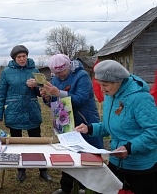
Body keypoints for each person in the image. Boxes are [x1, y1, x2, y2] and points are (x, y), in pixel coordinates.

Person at [74, 60, 157, 194]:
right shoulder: (110, 95)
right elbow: (110, 126)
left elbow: (153, 131)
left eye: (105, 85)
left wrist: (129, 148)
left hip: (140, 167)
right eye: (99, 84)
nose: (101, 89)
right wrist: (89, 128)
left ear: (117, 81)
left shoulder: (140, 99)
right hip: (116, 161)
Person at [39, 54, 103, 194]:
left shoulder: (82, 76)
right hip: (66, 123)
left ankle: (85, 187)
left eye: (61, 71)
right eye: (56, 73)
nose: (59, 75)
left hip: (85, 120)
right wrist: (48, 98)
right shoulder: (55, 78)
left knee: (87, 155)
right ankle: (66, 188)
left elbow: (80, 99)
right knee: (68, 155)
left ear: (68, 66)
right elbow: (56, 104)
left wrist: (59, 93)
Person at [0, 45, 52, 183]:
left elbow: (41, 91)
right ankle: (21, 170)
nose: (22, 59)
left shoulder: (34, 70)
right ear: (14, 58)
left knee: (37, 142)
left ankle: (42, 170)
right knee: (16, 143)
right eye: (19, 57)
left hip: (31, 110)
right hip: (14, 111)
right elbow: (1, 94)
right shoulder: (6, 72)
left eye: (24, 56)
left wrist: (38, 87)